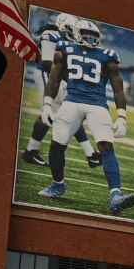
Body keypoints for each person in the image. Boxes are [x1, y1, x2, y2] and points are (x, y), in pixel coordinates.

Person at [37, 17, 134, 215]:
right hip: (71, 101)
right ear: (76, 34)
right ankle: (58, 184)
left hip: (97, 104)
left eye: (94, 36)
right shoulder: (64, 48)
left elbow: (118, 90)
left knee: (107, 147)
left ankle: (116, 195)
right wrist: (47, 104)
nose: (91, 39)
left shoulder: (108, 56)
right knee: (56, 145)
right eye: (87, 35)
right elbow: (55, 78)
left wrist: (122, 117)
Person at [22, 12, 102, 168]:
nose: (74, 33)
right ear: (62, 27)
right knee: (51, 113)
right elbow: (47, 61)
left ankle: (91, 154)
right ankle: (31, 151)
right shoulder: (51, 35)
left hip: (61, 78)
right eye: (71, 29)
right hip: (48, 75)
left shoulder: (72, 42)